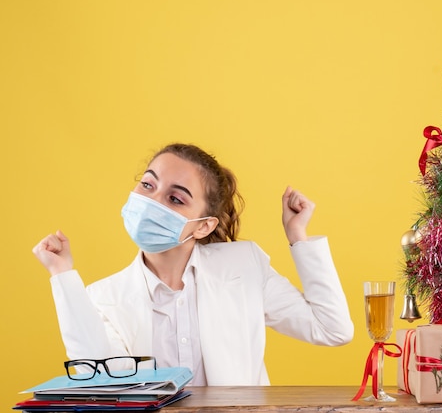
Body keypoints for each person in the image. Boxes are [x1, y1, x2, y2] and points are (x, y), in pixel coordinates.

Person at [32, 143, 353, 386]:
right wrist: (62, 275)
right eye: (147, 185)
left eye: (176, 198)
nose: (151, 203)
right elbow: (98, 378)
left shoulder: (244, 265)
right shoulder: (103, 296)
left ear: (204, 226)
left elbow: (332, 329)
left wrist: (298, 235)